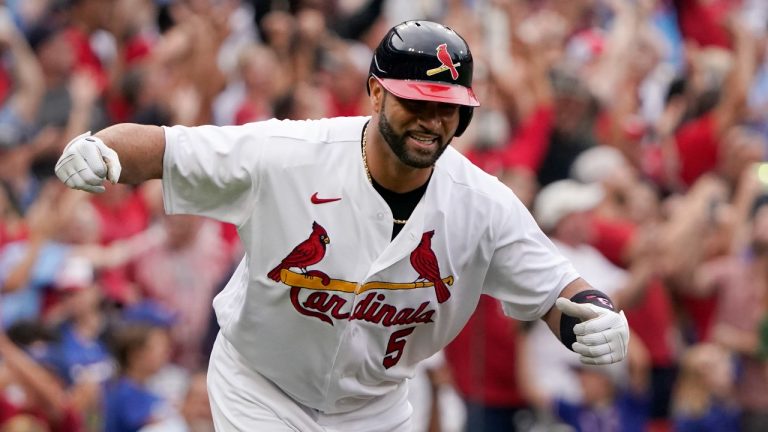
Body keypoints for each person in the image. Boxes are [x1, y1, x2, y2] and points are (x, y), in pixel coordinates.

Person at [53, 20, 630, 432]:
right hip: (261, 385)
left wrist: (598, 315)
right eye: (416, 101)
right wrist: (99, 147)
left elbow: (559, 292)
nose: (432, 120)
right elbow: (164, 149)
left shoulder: (482, 204)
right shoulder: (288, 152)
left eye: (447, 107)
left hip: (376, 407)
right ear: (376, 91)